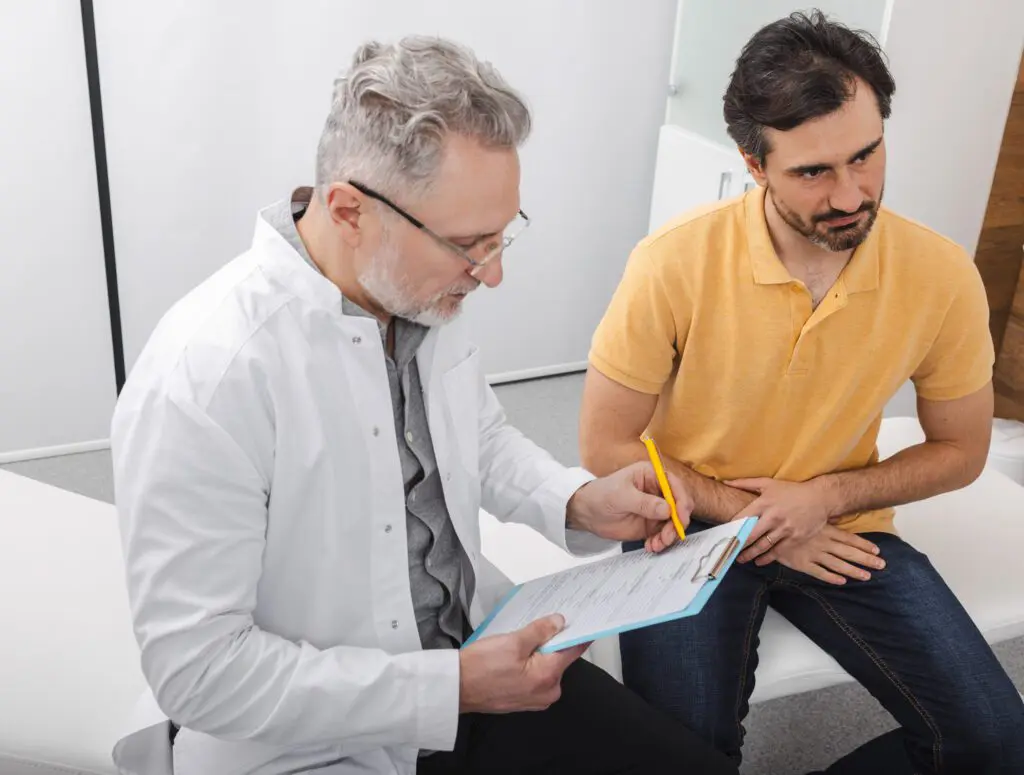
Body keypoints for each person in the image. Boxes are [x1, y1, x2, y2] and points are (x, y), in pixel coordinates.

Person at [109, 36, 736, 775]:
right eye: (471, 244)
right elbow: (201, 674)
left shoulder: (414, 290)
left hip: (479, 659)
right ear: (349, 210)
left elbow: (478, 438)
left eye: (502, 237)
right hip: (308, 744)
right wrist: (449, 688)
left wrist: (575, 501)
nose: (492, 275)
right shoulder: (208, 376)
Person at [580, 10, 1024, 775]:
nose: (851, 194)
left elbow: (962, 448)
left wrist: (822, 497)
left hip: (839, 520)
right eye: (813, 172)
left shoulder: (941, 274)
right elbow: (604, 445)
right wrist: (759, 517)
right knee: (681, 760)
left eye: (866, 155)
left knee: (997, 743)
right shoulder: (672, 262)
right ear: (754, 165)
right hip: (690, 525)